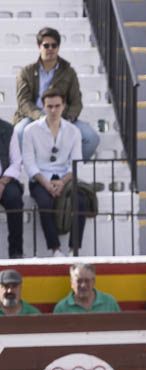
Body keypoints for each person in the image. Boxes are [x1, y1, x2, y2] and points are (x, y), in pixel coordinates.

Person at [13, 27, 100, 162]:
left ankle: (67, 169)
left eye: (54, 45)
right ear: (39, 46)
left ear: (58, 47)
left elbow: (76, 102)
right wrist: (41, 117)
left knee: (91, 138)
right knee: (18, 133)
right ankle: (29, 171)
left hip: (61, 117)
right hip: (33, 117)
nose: (50, 49)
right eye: (46, 45)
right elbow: (24, 103)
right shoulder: (26, 72)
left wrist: (66, 119)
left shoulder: (68, 72)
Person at [22, 90, 87, 258]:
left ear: (63, 106)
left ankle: (74, 250)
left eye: (57, 106)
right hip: (40, 178)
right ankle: (55, 250)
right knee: (45, 203)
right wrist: (46, 183)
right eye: (49, 106)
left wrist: (62, 182)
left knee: (81, 202)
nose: (53, 110)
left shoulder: (73, 131)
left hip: (65, 178)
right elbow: (29, 162)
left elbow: (76, 162)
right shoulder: (30, 130)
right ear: (43, 107)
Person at [53, 262, 121, 313]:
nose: (83, 285)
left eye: (87, 281)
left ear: (94, 282)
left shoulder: (110, 303)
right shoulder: (61, 308)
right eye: (79, 281)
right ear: (71, 283)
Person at [0, 119, 23, 260]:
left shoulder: (8, 129)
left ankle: (16, 253)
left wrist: (2, 182)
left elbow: (16, 162)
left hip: (5, 179)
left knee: (14, 198)